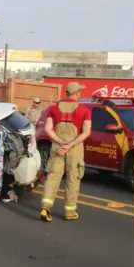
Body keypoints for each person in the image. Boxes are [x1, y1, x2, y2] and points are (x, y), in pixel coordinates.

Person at [39, 82, 92, 222]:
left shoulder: (54, 109)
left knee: (53, 176)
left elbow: (48, 129)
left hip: (57, 146)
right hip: (75, 148)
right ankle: (69, 212)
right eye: (80, 91)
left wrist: (59, 141)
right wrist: (70, 145)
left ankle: (45, 207)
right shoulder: (84, 110)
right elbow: (86, 132)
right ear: (77, 93)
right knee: (73, 179)